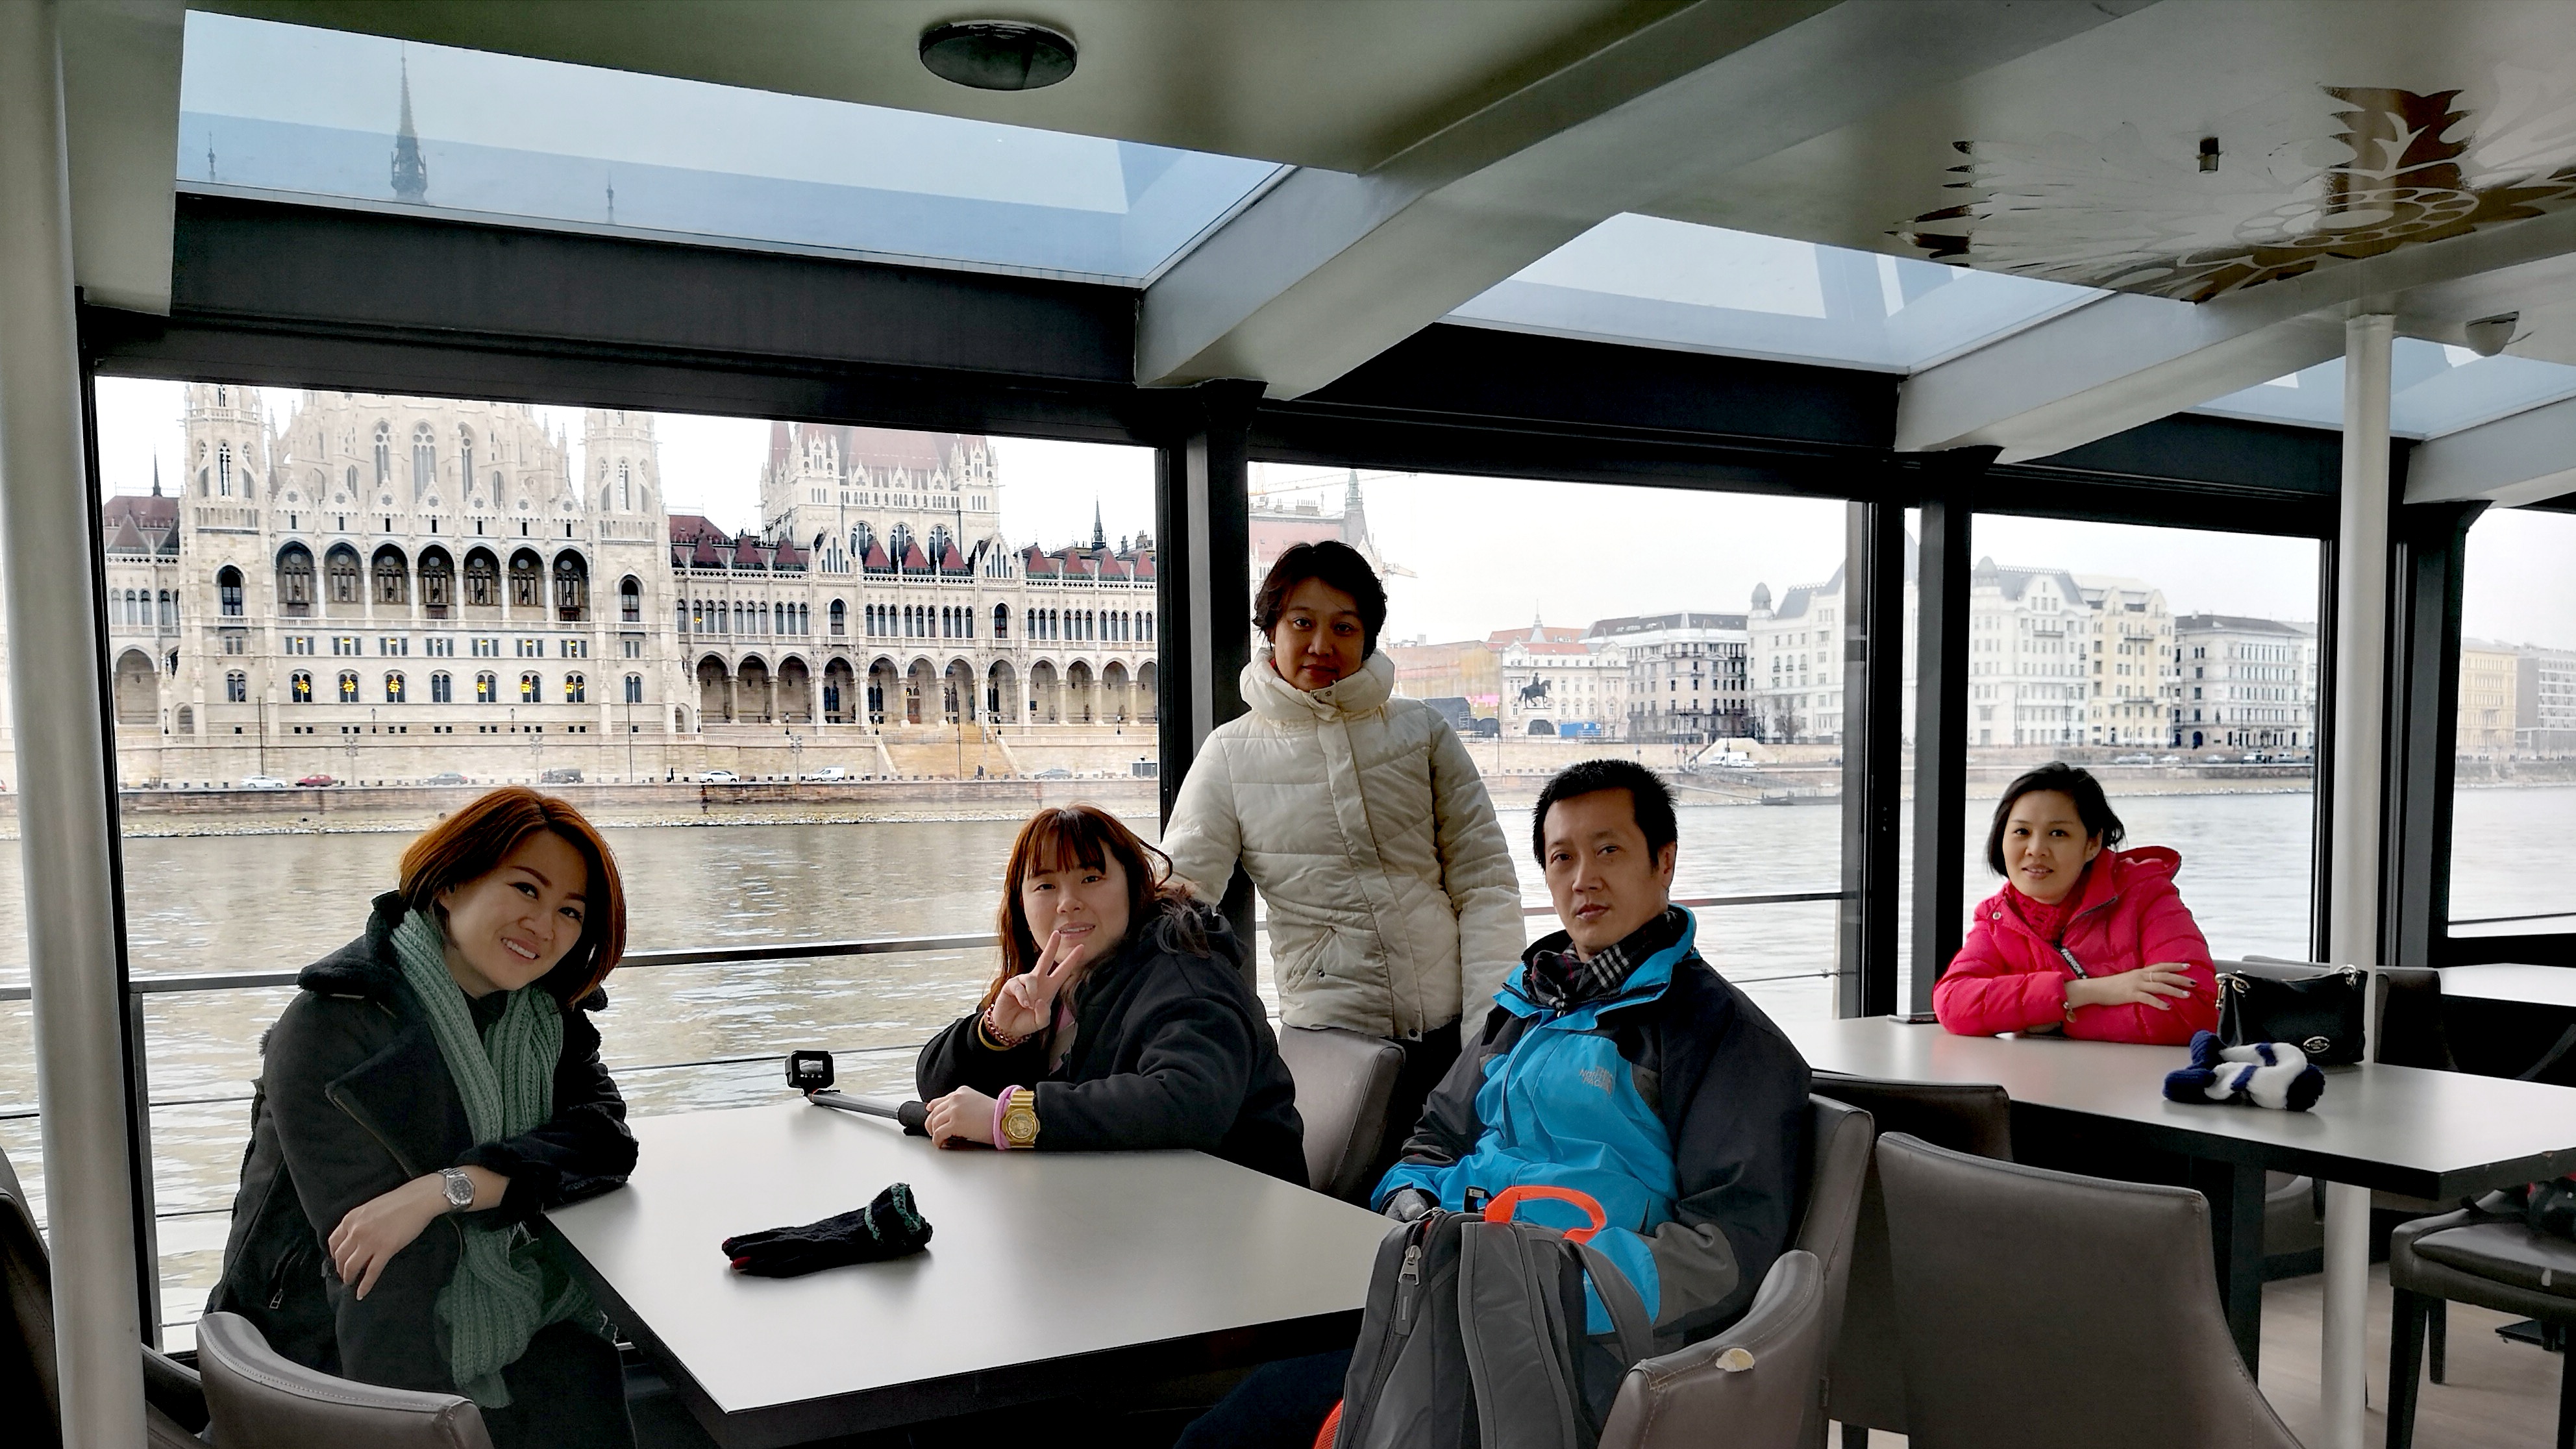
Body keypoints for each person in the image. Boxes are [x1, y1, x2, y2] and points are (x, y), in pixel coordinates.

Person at [1177, 760, 1811, 1446]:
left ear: (1664, 861)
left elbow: (1729, 1250)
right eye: (1561, 858)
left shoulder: (1719, 1036)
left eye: (1607, 850)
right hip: (1439, 1296)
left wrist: (1548, 1293)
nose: (1583, 878)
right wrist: (1410, 1210)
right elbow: (1433, 1139)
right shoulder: (1527, 1004)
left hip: (1572, 1348)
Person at [208, 788, 638, 1449]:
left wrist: (448, 1189)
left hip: (508, 1301)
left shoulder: (546, 1017)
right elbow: (373, 1268)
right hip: (323, 1349)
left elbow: (604, 1142)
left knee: (583, 1368)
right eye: (525, 889)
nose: (544, 926)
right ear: (450, 883)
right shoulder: (335, 1024)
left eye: (570, 911)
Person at [1162, 539, 1522, 1179]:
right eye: (1301, 622)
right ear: (1271, 630)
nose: (1321, 645)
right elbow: (1180, 897)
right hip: (1333, 1047)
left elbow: (1486, 884)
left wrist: (1488, 1037)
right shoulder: (1230, 754)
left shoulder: (1421, 733)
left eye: (1344, 627)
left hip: (1450, 1042)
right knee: (1336, 1214)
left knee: (1456, 1214)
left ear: (1368, 637)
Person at [916, 804, 1305, 1185]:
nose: (1068, 902)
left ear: (1135, 886)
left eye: (1090, 878)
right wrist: (995, 1033)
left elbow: (1190, 1103)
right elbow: (940, 1095)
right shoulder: (1050, 980)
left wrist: (1012, 1118)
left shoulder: (1189, 975)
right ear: (1022, 904)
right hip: (1120, 1202)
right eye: (1046, 886)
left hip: (1233, 1210)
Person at [1934, 761, 2219, 1045]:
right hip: (2041, 1073)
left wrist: (2047, 1020)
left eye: (2058, 833)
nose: (2036, 850)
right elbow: (1953, 1004)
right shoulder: (1998, 918)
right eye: (2022, 832)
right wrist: (2086, 992)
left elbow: (2193, 1012)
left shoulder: (2146, 894)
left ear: (2092, 844)